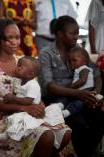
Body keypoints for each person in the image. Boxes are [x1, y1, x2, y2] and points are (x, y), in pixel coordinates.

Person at [0, 18, 71, 157]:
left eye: (17, 37)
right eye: (10, 38)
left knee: (64, 133)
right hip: (4, 121)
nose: (15, 42)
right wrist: (24, 107)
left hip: (28, 114)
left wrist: (39, 105)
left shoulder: (23, 61)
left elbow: (33, 91)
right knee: (46, 136)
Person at [38, 15, 104, 157]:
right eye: (72, 33)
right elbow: (49, 86)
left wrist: (95, 95)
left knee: (100, 117)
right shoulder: (46, 54)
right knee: (78, 123)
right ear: (61, 34)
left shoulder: (78, 49)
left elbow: (96, 73)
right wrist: (78, 94)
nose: (76, 36)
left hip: (81, 97)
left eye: (77, 33)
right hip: (56, 101)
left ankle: (85, 153)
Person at [0, 56, 65, 142]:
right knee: (1, 109)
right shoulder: (20, 80)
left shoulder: (32, 85)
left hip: (29, 108)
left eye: (20, 67)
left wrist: (13, 98)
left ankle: (6, 136)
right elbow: (17, 92)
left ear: (30, 74)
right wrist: (10, 98)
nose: (17, 68)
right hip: (20, 105)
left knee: (17, 120)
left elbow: (29, 101)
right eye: (17, 66)